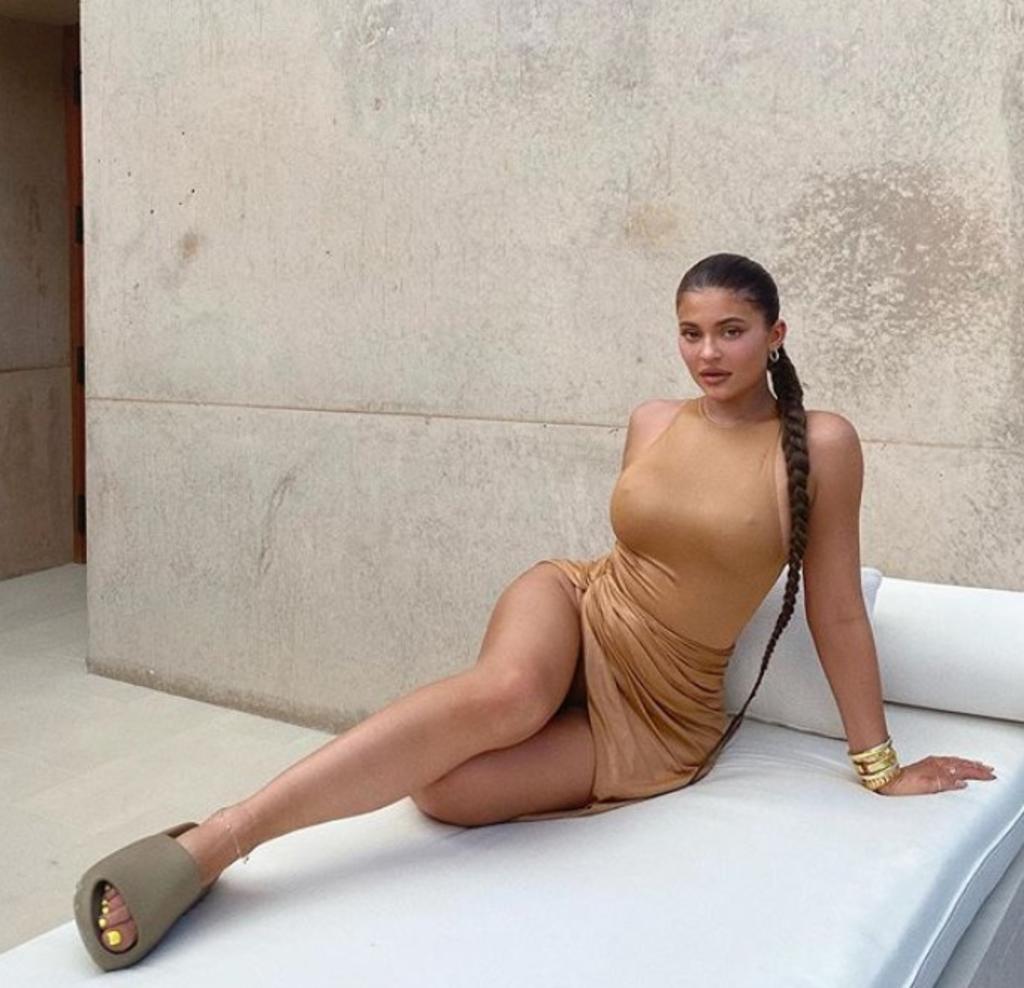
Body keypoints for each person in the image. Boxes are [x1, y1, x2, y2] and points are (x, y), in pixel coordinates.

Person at [74, 252, 997, 970]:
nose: (707, 354)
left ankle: (252, 825)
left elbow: (836, 612)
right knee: (510, 692)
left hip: (663, 707)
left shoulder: (823, 445)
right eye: (689, 333)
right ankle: (216, 842)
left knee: (446, 793)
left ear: (775, 333)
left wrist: (880, 766)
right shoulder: (653, 420)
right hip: (578, 602)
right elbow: (645, 552)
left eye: (730, 331)